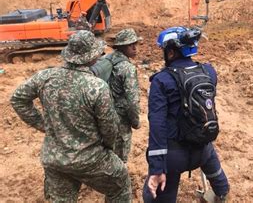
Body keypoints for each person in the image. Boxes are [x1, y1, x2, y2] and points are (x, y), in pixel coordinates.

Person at [10, 30, 132, 202]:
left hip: (55, 159)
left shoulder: (45, 76)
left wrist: (43, 124)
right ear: (91, 56)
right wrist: (108, 149)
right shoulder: (97, 87)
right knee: (120, 184)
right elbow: (109, 129)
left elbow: (18, 99)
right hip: (90, 159)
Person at [143, 26, 229, 203]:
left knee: (152, 195)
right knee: (212, 161)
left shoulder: (161, 80)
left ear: (172, 52)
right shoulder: (209, 72)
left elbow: (157, 126)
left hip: (174, 157)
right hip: (202, 149)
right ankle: (222, 192)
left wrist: (157, 169)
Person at [107, 28, 142, 163]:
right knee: (120, 160)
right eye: (130, 45)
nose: (134, 48)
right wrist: (135, 121)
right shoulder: (127, 68)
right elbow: (132, 101)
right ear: (121, 47)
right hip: (120, 120)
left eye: (135, 44)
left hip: (102, 115)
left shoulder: (106, 60)